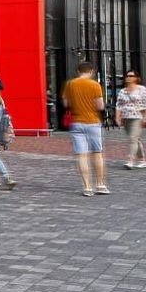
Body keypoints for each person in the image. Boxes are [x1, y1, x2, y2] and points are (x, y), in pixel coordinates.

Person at [62, 61, 110, 197]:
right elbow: (100, 106)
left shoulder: (70, 84)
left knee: (82, 155)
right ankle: (100, 184)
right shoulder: (95, 85)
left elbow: (66, 103)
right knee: (97, 153)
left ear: (78, 71)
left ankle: (87, 187)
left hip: (77, 122)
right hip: (93, 122)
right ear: (91, 71)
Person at [115, 70, 146, 169]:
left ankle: (130, 160)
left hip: (138, 117)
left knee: (133, 138)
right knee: (136, 139)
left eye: (131, 76)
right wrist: (117, 117)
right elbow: (119, 105)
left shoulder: (142, 89)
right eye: (127, 76)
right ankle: (142, 160)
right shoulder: (123, 91)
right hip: (126, 117)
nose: (128, 77)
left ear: (136, 78)